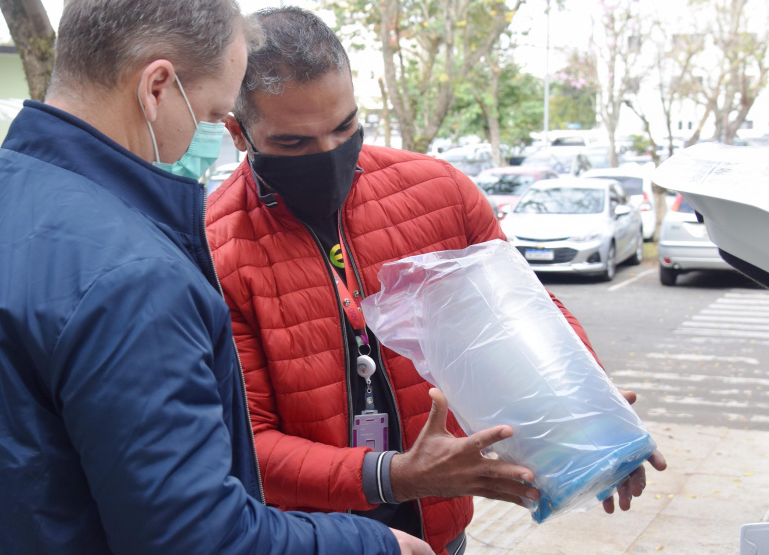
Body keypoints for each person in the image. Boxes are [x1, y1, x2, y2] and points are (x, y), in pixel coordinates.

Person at [0, 1, 432, 554]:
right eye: (213, 114)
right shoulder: (134, 273)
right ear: (157, 88)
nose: (212, 137)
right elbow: (196, 539)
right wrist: (376, 545)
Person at [206, 7, 666, 555]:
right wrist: (397, 476)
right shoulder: (214, 248)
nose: (329, 154)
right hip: (315, 541)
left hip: (444, 538)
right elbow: (247, 446)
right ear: (238, 131)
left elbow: (533, 320)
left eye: (345, 127)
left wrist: (596, 428)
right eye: (294, 144)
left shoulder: (439, 192)